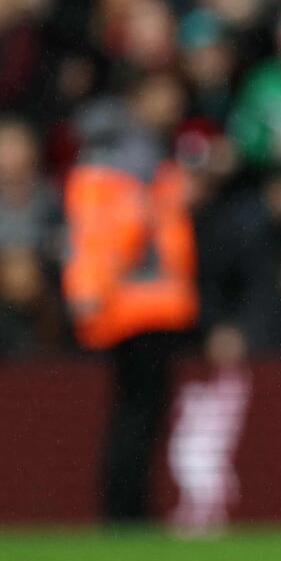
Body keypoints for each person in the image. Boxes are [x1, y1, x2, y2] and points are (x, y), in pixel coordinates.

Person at [62, 78, 200, 524]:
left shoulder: (141, 160)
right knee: (137, 411)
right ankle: (125, 509)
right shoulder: (121, 168)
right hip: (137, 305)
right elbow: (101, 239)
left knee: (140, 411)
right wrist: (90, 294)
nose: (171, 103)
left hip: (145, 303)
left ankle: (130, 505)